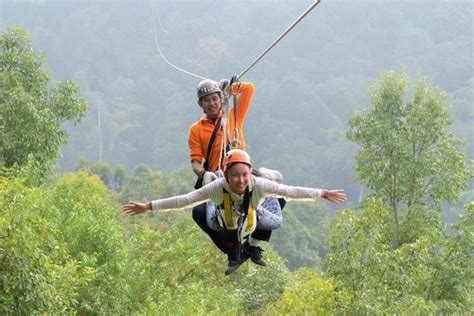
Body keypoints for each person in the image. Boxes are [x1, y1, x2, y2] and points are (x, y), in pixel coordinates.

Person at [123, 149, 347, 275]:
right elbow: (185, 200)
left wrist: (322, 193)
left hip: (252, 215)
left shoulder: (258, 184)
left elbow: (292, 192)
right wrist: (148, 206)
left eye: (244, 174)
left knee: (276, 218)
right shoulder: (218, 187)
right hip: (224, 215)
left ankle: (268, 174)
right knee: (213, 220)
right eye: (235, 175)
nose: (240, 180)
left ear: (251, 173)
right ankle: (213, 180)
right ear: (227, 176)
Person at [187, 77, 284, 266]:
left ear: (221, 99)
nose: (212, 103)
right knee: (200, 214)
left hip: (242, 173)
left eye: (215, 98)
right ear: (201, 104)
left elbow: (249, 89)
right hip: (219, 177)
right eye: (207, 100)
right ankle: (234, 250)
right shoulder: (196, 130)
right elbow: (196, 163)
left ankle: (253, 244)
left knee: (277, 195)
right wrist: (204, 174)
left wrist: (230, 88)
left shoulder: (233, 116)